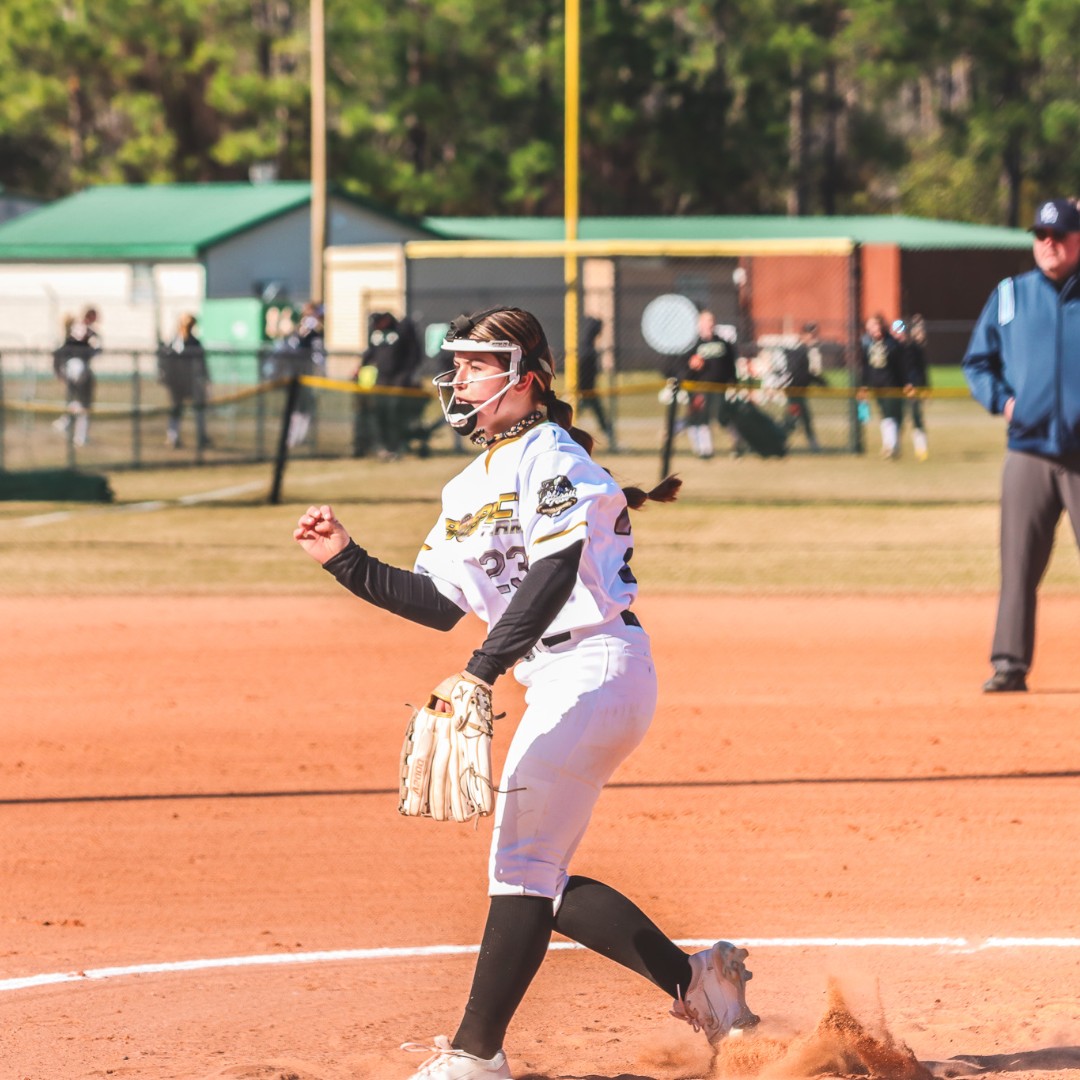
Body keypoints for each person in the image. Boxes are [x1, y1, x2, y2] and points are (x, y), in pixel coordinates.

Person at [294, 305, 758, 1080]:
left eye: (478, 364)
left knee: (521, 867)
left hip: (597, 665)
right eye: (458, 365)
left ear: (526, 377)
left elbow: (554, 571)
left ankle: (476, 1054)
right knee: (534, 873)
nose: (460, 379)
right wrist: (346, 559)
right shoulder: (466, 486)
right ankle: (698, 982)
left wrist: (482, 668)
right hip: (562, 679)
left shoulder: (551, 454)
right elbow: (437, 602)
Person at [962, 196, 1080, 694]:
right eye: (1040, 235)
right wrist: (1005, 403)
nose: (1049, 244)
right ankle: (1010, 663)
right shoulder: (1010, 295)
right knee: (1018, 564)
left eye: (1060, 235)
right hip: (1028, 450)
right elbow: (977, 363)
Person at [158, 313, 211, 450]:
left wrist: (205, 379)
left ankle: (201, 436)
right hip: (177, 382)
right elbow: (165, 361)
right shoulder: (173, 342)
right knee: (176, 408)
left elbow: (202, 363)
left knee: (199, 408)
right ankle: (173, 437)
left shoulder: (195, 343)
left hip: (192, 381)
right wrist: (166, 377)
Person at [859, 313, 906, 459]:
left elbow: (901, 367)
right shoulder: (868, 344)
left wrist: (906, 384)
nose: (872, 329)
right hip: (876, 385)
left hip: (891, 385)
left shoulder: (892, 344)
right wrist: (863, 385)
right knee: (885, 415)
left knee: (891, 415)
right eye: (869, 327)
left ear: (881, 326)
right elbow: (865, 367)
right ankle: (890, 445)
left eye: (875, 325)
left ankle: (891, 445)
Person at [52, 306, 100, 447]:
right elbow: (96, 347)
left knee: (78, 401)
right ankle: (76, 433)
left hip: (69, 366)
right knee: (84, 403)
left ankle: (67, 423)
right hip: (77, 365)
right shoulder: (86, 329)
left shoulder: (77, 328)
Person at [781, 322, 827, 452]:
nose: (813, 337)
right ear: (803, 335)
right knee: (795, 418)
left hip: (799, 391)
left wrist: (819, 381)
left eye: (815, 334)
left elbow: (808, 372)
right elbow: (802, 373)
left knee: (797, 417)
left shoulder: (807, 351)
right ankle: (780, 439)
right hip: (794, 390)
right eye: (811, 334)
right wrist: (820, 381)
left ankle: (781, 439)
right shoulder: (799, 351)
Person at [577, 315, 616, 449]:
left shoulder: (589, 346)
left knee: (601, 417)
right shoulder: (586, 348)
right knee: (567, 416)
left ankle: (611, 441)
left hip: (590, 391)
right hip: (581, 391)